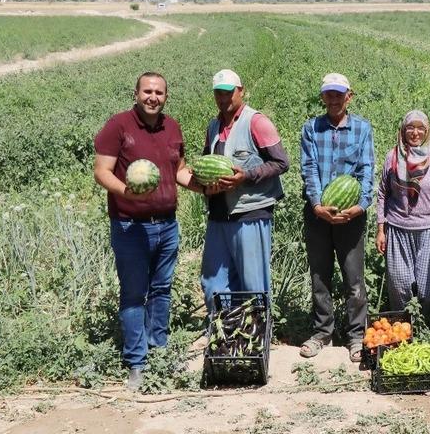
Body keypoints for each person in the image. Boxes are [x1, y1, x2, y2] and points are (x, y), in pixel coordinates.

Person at [94, 72, 202, 390]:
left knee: (161, 291)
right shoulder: (119, 126)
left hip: (167, 224)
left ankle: (159, 351)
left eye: (158, 92)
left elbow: (179, 170)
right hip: (130, 225)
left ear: (166, 96)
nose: (152, 97)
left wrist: (206, 187)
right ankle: (136, 362)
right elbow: (102, 171)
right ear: (136, 93)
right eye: (147, 91)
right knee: (133, 294)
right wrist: (127, 192)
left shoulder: (172, 127)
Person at [200, 69, 290, 312]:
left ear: (241, 91)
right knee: (213, 282)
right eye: (218, 93)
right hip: (218, 214)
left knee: (252, 284)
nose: (223, 98)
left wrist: (246, 176)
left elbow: (282, 163)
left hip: (250, 213)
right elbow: (205, 163)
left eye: (228, 93)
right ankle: (224, 335)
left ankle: (255, 337)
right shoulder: (213, 126)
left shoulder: (256, 122)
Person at [299, 73, 374, 362]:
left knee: (354, 278)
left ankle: (356, 336)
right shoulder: (311, 128)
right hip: (317, 214)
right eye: (328, 94)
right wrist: (318, 204)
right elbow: (309, 168)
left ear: (349, 96)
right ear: (323, 97)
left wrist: (362, 204)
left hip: (351, 214)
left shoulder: (362, 129)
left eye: (338, 94)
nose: (333, 99)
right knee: (320, 276)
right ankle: (322, 332)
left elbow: (367, 169)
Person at [375, 110, 430, 313]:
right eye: (410, 127)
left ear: (428, 131)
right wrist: (380, 228)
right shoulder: (393, 156)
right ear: (403, 131)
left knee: (429, 289)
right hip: (398, 228)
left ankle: (427, 326)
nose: (415, 132)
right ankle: (403, 327)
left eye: (421, 128)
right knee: (400, 285)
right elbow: (382, 193)